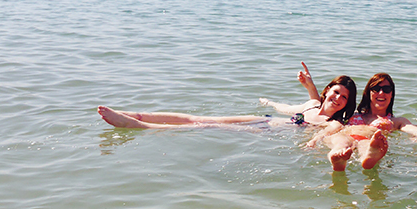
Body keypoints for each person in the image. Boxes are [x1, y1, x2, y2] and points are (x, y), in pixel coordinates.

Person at [305, 72, 417, 171]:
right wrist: (315, 139)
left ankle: (368, 157)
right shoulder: (350, 114)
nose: (381, 92)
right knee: (340, 140)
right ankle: (338, 159)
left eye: (387, 89)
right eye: (376, 88)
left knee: (367, 144)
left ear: (392, 95)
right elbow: (325, 114)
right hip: (344, 136)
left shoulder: (397, 121)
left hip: (368, 140)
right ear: (369, 93)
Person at [98, 68, 356, 129]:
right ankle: (137, 114)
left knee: (206, 127)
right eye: (335, 92)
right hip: (262, 120)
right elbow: (310, 97)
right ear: (327, 91)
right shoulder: (312, 104)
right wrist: (308, 83)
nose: (337, 98)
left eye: (344, 98)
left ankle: (140, 126)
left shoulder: (333, 124)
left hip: (267, 133)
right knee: (199, 118)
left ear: (347, 104)